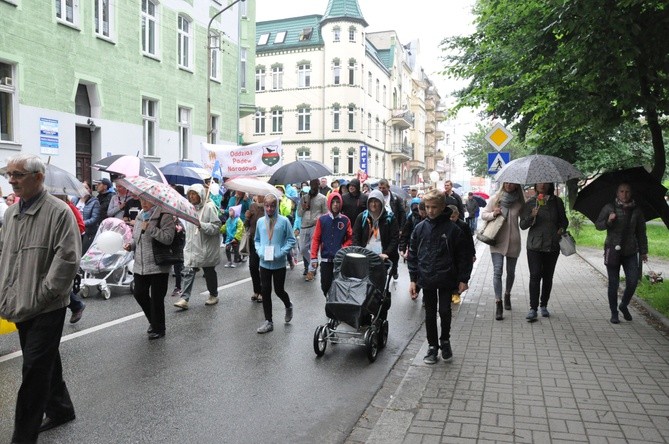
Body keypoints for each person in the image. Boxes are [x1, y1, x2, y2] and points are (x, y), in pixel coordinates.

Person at [0, 154, 82, 442]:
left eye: (18, 174)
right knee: (45, 359)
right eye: (9, 174)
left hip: (47, 305)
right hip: (19, 302)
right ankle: (61, 408)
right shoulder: (11, 214)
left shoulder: (59, 212)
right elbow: (4, 254)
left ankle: (22, 437)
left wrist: (44, 293)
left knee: (34, 369)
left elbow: (68, 259)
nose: (12, 180)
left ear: (38, 177)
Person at [408, 190, 472, 365]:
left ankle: (445, 341)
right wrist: (413, 279)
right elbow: (413, 254)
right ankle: (432, 346)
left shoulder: (453, 230)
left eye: (434, 207)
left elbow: (463, 256)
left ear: (442, 207)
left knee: (444, 311)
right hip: (426, 277)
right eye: (427, 207)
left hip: (446, 278)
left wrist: (463, 279)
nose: (430, 211)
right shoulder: (420, 228)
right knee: (429, 313)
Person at [595, 182, 648, 324]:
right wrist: (608, 221)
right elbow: (598, 225)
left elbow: (641, 232)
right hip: (612, 249)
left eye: (627, 191)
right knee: (613, 283)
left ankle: (623, 305)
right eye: (622, 191)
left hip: (630, 251)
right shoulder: (609, 208)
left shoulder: (637, 210)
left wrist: (643, 251)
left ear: (631, 193)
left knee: (632, 280)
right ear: (617, 193)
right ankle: (614, 313)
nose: (625, 194)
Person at [124, 197, 174, 339]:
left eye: (147, 200)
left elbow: (168, 238)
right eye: (141, 200)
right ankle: (154, 321)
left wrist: (151, 228)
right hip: (141, 263)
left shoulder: (165, 215)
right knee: (139, 293)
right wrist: (131, 245)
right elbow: (136, 238)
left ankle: (159, 328)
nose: (144, 203)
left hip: (158, 264)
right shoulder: (141, 215)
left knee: (157, 298)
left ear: (155, 201)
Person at [519, 183, 569, 321]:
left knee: (547, 276)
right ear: (535, 185)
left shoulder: (556, 201)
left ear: (549, 185)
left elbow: (564, 221)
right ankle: (533, 308)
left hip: (552, 245)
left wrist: (561, 229)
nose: (542, 185)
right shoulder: (530, 202)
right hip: (534, 245)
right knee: (535, 275)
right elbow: (523, 225)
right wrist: (531, 216)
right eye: (539, 182)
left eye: (545, 182)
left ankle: (544, 305)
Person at [352, 189, 399, 322]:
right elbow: (355, 235)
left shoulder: (389, 217)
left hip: (382, 258)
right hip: (365, 256)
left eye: (376, 202)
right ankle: (364, 315)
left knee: (379, 288)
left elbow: (395, 238)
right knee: (363, 286)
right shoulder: (362, 217)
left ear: (381, 203)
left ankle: (380, 315)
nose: (373, 204)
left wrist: (387, 253)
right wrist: (358, 250)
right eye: (371, 201)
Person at [480, 182, 524, 321]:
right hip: (497, 240)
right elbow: (483, 215)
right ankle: (498, 302)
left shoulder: (519, 202)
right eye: (507, 183)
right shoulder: (495, 199)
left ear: (517, 186)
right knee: (497, 271)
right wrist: (494, 213)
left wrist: (532, 214)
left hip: (514, 241)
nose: (509, 185)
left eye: (512, 183)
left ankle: (507, 294)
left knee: (511, 272)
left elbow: (524, 222)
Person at [174, 184, 222, 310]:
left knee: (209, 271)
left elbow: (217, 227)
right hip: (192, 246)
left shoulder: (209, 207)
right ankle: (184, 298)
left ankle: (213, 294)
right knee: (188, 271)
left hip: (206, 247)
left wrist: (202, 226)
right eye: (190, 194)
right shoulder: (189, 208)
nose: (191, 196)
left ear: (200, 195)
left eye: (194, 194)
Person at [254, 193, 296, 334]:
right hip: (264, 263)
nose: (270, 209)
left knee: (279, 290)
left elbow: (291, 240)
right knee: (265, 291)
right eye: (267, 206)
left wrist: (281, 253)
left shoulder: (284, 221)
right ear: (264, 206)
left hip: (279, 263)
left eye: (272, 206)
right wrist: (259, 251)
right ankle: (268, 321)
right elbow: (257, 240)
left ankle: (288, 305)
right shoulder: (260, 222)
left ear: (276, 206)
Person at [309, 191, 353, 296]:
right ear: (329, 203)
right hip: (325, 260)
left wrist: (343, 248)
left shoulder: (345, 220)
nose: (335, 204)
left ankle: (335, 309)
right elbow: (316, 239)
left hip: (340, 261)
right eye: (333, 202)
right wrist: (314, 257)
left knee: (339, 287)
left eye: (338, 202)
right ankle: (329, 302)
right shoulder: (322, 220)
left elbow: (350, 238)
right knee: (325, 286)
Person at [296, 178, 327, 280]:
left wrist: (319, 218)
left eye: (317, 184)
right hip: (304, 225)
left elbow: (326, 213)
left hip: (315, 226)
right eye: (313, 184)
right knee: (303, 248)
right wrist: (304, 207)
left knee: (314, 249)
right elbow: (299, 213)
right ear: (310, 185)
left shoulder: (322, 198)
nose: (315, 186)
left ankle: (311, 271)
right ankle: (314, 263)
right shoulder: (304, 197)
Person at [447, 205, 477, 304]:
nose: (451, 219)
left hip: (462, 253)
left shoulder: (463, 226)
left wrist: (473, 253)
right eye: (449, 217)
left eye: (453, 217)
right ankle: (451, 292)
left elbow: (470, 241)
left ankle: (456, 292)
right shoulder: (444, 226)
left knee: (459, 273)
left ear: (457, 215)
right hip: (450, 254)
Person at [245, 194, 265, 303]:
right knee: (253, 266)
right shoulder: (252, 206)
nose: (259, 197)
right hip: (253, 239)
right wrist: (247, 217)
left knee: (263, 267)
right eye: (258, 195)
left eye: (262, 195)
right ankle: (256, 290)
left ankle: (262, 292)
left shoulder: (269, 206)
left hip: (264, 241)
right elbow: (246, 225)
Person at [80, 188, 100, 254]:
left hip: (88, 232)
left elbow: (94, 218)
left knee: (85, 252)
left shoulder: (94, 202)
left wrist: (82, 223)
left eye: (86, 188)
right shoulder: (75, 199)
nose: (83, 189)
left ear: (90, 190)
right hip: (77, 231)